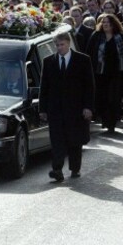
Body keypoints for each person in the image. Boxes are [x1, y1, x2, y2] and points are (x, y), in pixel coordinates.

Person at [39, 32, 94, 182]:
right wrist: (42, 109)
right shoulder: (49, 61)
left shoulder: (82, 60)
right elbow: (44, 87)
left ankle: (75, 168)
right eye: (56, 45)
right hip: (55, 109)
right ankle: (57, 169)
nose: (59, 48)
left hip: (76, 109)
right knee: (57, 140)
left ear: (68, 43)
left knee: (74, 140)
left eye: (62, 44)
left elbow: (89, 86)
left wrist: (88, 107)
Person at [86, 14, 123, 132]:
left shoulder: (120, 37)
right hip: (100, 73)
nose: (105, 24)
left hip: (116, 73)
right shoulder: (96, 36)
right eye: (103, 22)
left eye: (108, 23)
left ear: (113, 24)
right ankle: (105, 120)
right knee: (102, 98)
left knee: (114, 98)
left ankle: (112, 122)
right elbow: (89, 53)